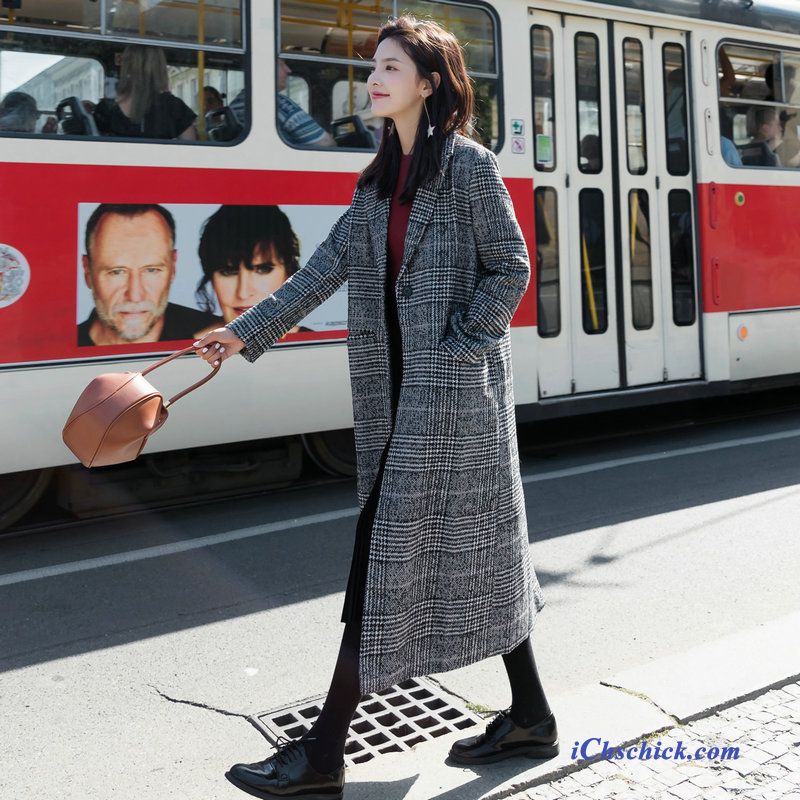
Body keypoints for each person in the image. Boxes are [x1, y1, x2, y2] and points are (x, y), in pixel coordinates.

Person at [194, 15, 555, 800]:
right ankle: (531, 713)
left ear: (430, 82)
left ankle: (323, 756)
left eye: (392, 67)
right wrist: (241, 332)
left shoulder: (468, 169)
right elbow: (318, 272)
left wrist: (460, 346)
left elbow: (513, 266)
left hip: (453, 403)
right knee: (481, 557)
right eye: (373, 68)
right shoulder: (375, 180)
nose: (374, 79)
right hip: (395, 402)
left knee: (379, 565)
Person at [78, 204, 220, 346]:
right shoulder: (61, 348)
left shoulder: (219, 334)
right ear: (88, 271)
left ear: (173, 267)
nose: (135, 296)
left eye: (151, 270)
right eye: (116, 272)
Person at [194, 205, 313, 335]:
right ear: (212, 278)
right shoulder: (188, 348)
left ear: (288, 273)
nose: (243, 293)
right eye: (228, 272)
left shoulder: (314, 343)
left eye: (263, 269)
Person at [93, 45, 197, 140]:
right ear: (159, 68)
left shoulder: (105, 108)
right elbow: (191, 150)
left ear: (126, 66)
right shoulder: (174, 107)